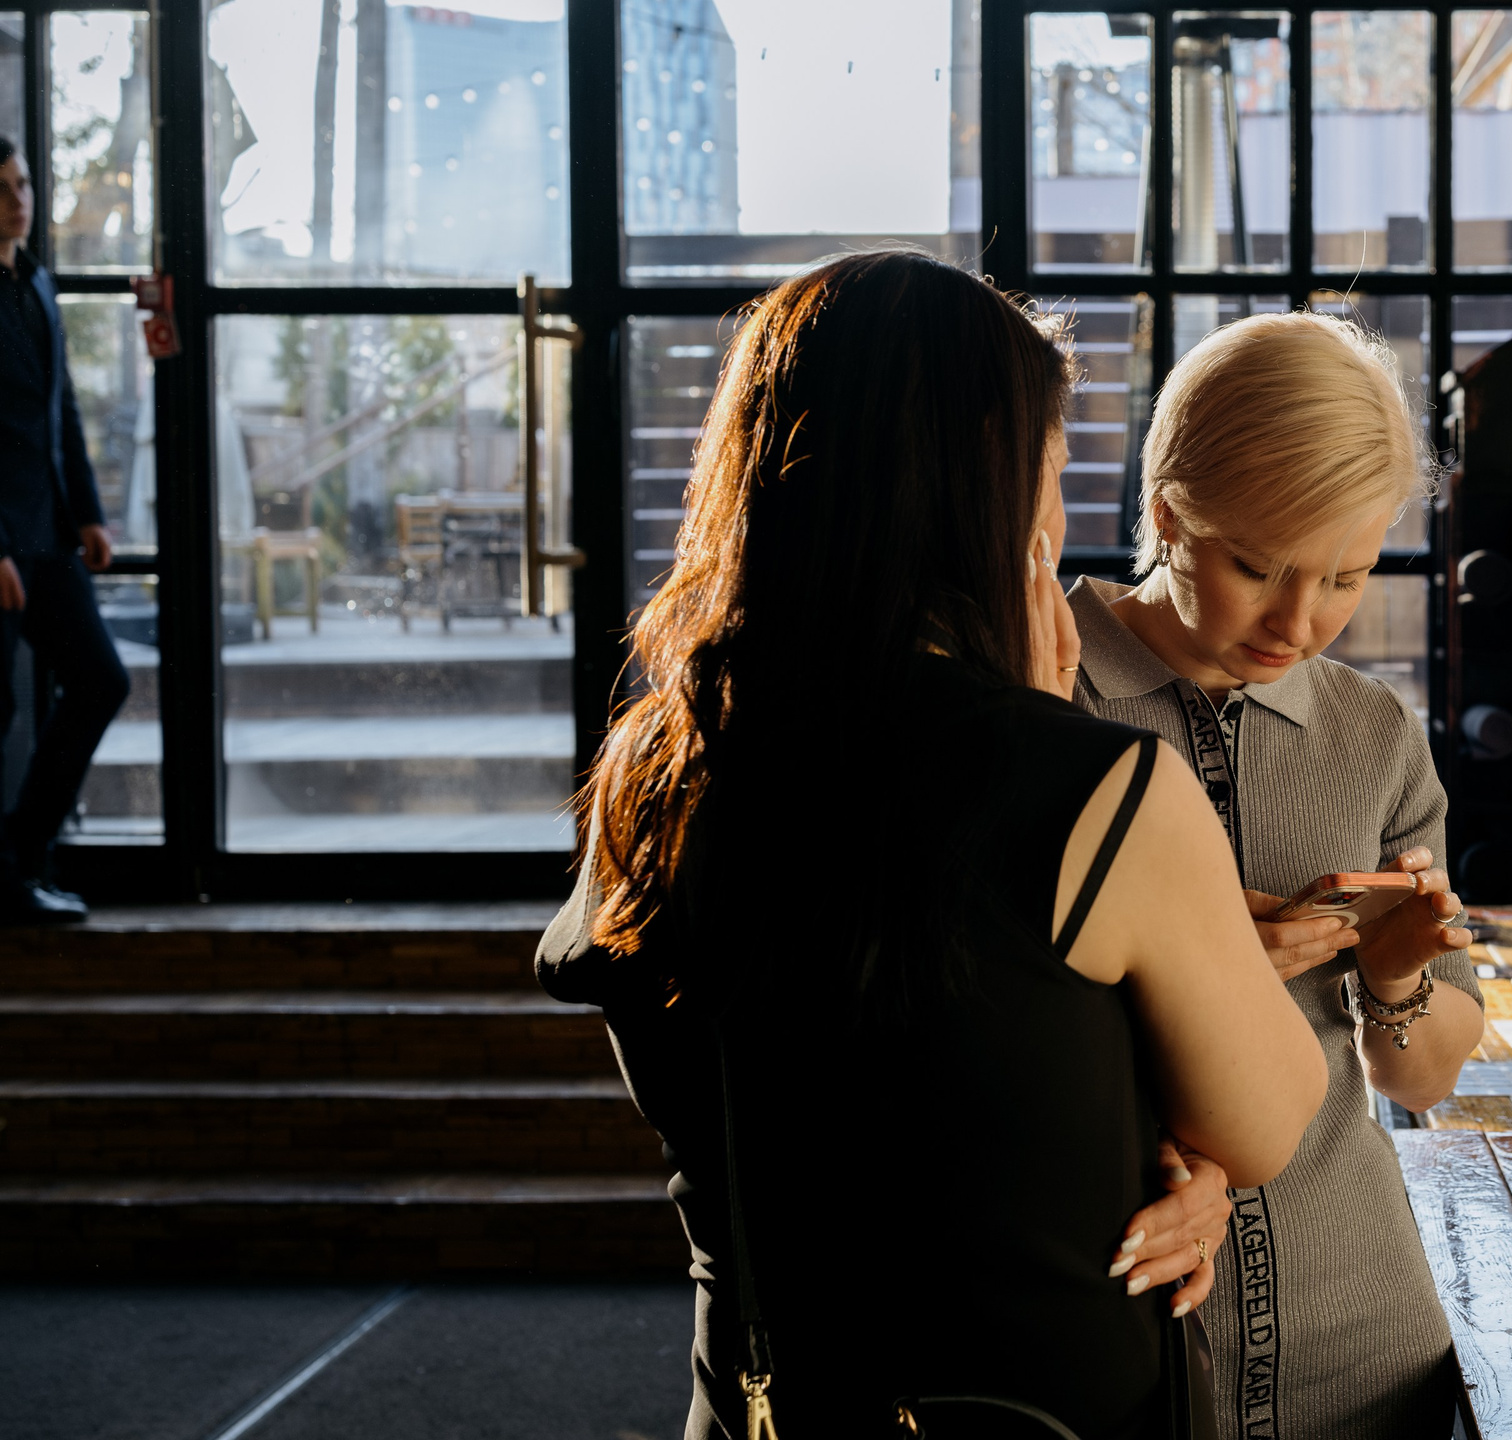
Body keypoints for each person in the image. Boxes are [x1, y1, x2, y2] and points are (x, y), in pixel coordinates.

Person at [536, 253, 1327, 1440]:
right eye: (1051, 470)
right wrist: (1041, 724)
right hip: (1035, 1412)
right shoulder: (1092, 792)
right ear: (990, 493)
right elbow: (1265, 1121)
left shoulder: (655, 773)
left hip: (766, 1404)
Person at [1063, 310, 1485, 1439]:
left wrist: (1394, 984)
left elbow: (1422, 1085)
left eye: (1348, 576)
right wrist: (1192, 974)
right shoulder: (1043, 701)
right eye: (1256, 566)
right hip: (1119, 1324)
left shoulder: (1374, 734)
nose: (1299, 622)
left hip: (1367, 1340)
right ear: (1166, 515)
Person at [0, 138, 126, 922]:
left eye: (22, 184)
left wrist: (87, 511)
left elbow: (62, 412)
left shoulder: (35, 283)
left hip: (47, 533)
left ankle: (18, 858)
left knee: (101, 681)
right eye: (4, 187)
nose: (19, 198)